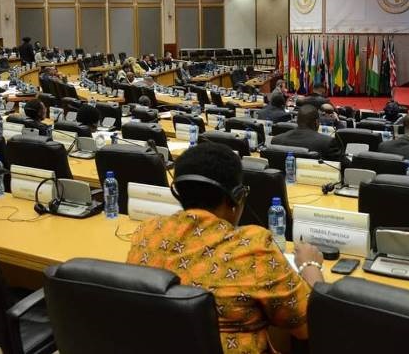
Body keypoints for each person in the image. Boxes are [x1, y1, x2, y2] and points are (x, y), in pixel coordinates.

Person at [127, 142, 323, 354]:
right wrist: (310, 266)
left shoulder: (147, 232)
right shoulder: (253, 247)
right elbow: (313, 325)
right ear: (237, 196)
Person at [271, 104, 342, 161]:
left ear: (297, 121)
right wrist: (338, 122)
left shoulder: (276, 140)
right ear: (316, 122)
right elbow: (345, 166)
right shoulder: (328, 143)